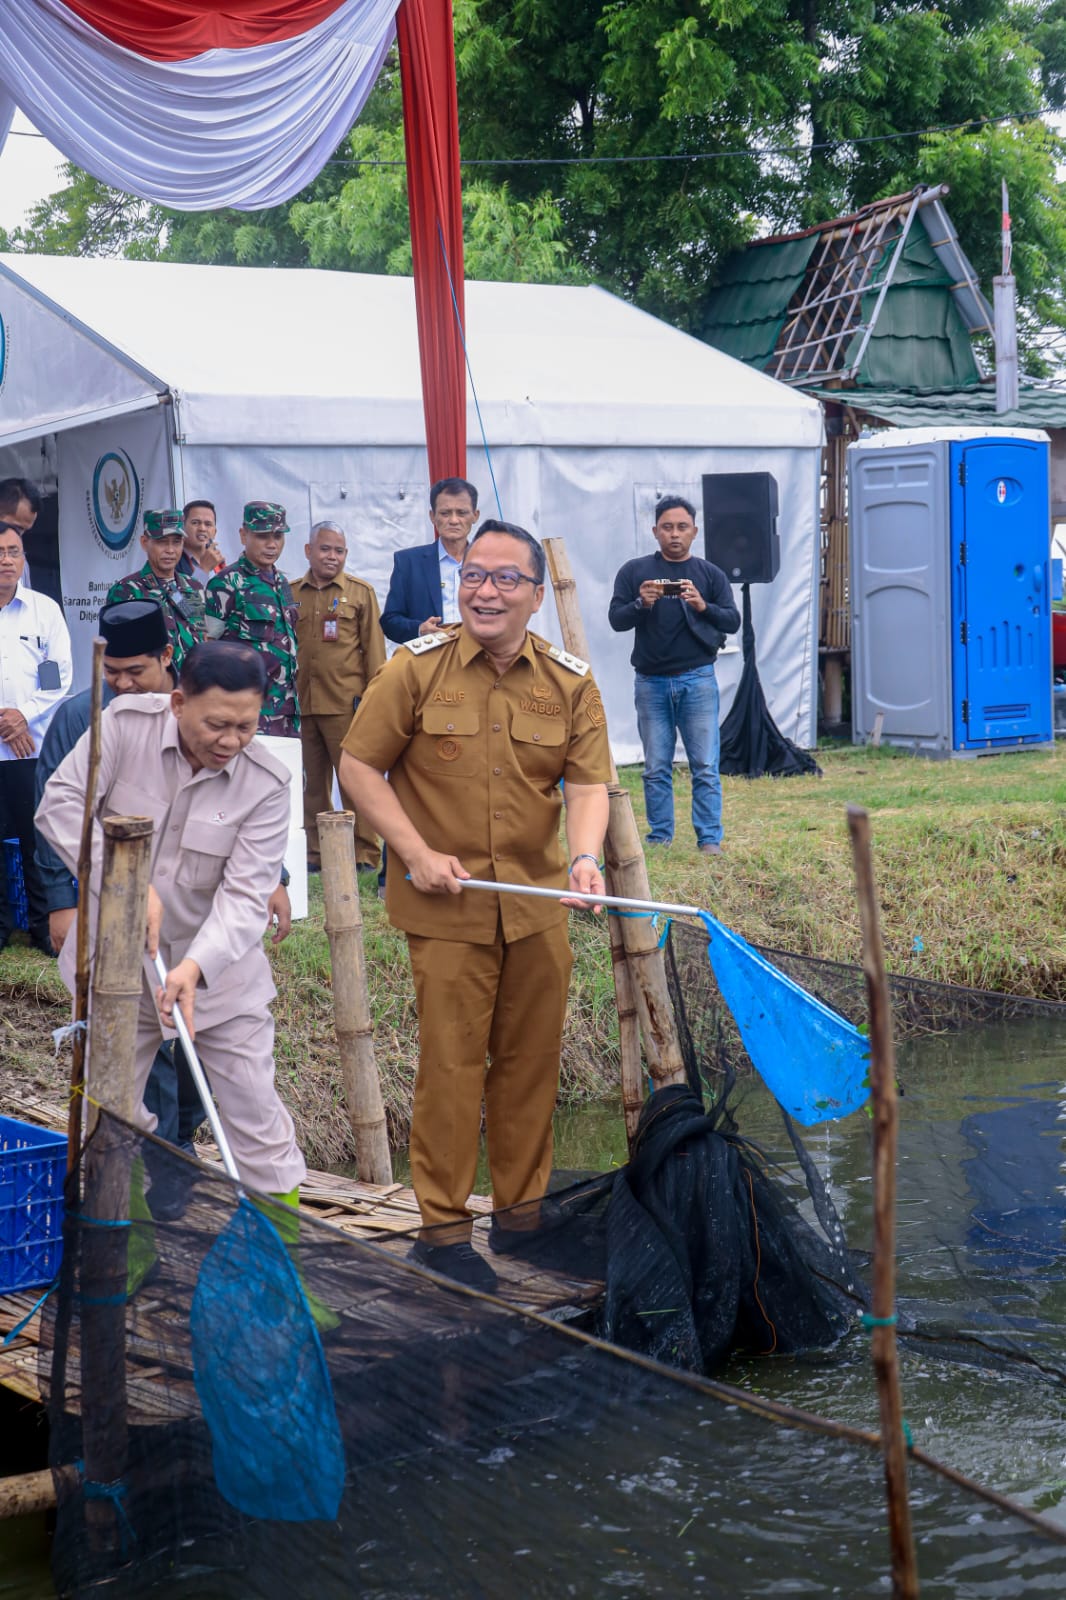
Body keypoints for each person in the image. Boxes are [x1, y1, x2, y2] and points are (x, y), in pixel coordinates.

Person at [340, 519, 612, 1289]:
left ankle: (522, 1222)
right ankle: (445, 1234)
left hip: (536, 904)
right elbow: (359, 769)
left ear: (534, 594)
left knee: (530, 1065)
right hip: (447, 908)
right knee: (452, 1068)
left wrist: (587, 858)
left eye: (502, 579)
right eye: (473, 576)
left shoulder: (569, 681)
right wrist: (416, 852)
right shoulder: (414, 670)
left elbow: (588, 782)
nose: (483, 591)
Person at [36, 641, 307, 1202]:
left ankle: (275, 1267)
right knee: (110, 1119)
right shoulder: (124, 726)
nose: (231, 741)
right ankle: (123, 1255)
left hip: (217, 977)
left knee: (257, 1119)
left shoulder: (269, 783)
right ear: (178, 702)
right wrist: (128, 882)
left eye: (246, 726)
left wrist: (194, 967)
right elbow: (61, 805)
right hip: (117, 971)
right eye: (216, 725)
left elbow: (244, 897)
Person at [608, 495, 740, 855]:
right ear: (655, 531)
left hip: (697, 678)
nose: (675, 534)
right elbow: (616, 620)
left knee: (705, 765)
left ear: (695, 531)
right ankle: (660, 836)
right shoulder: (635, 572)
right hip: (650, 682)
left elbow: (732, 620)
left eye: (682, 527)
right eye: (667, 527)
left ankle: (710, 839)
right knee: (656, 766)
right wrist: (641, 603)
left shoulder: (710, 574)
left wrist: (702, 605)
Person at [291, 521, 386, 874]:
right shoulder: (290, 592)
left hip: (346, 705)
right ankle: (315, 853)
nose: (332, 556)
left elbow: (374, 654)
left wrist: (375, 702)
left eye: (339, 550)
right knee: (312, 783)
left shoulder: (360, 593)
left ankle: (364, 853)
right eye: (325, 549)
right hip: (302, 703)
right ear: (308, 551)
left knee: (354, 782)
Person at [0, 518, 72, 953]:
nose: (5, 561)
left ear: (23, 558)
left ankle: (44, 927)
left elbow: (57, 675)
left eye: (12, 552)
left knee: (36, 837)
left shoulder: (44, 611)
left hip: (31, 747)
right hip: (10, 737)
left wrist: (21, 717)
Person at [205, 502, 300, 737]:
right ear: (243, 535)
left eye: (278, 536)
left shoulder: (282, 583)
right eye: (262, 536)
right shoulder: (226, 583)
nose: (272, 544)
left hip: (287, 712)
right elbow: (206, 647)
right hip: (247, 715)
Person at [380, 477, 480, 643]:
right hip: (428, 661)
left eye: (462, 513)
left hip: (478, 658)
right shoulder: (408, 563)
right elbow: (390, 621)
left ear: (475, 516)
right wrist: (419, 629)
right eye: (445, 513)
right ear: (432, 516)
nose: (454, 520)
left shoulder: (488, 564)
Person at [106, 508, 207, 671]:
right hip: (151, 690)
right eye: (161, 541)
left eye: (176, 542)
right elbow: (119, 654)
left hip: (193, 688)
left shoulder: (193, 587)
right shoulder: (126, 591)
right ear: (145, 542)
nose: (170, 550)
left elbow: (202, 639)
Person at [179, 499, 226, 580]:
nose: (202, 529)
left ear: (215, 532)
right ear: (182, 528)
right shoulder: (172, 559)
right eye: (195, 523)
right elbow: (180, 593)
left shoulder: (217, 560)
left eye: (208, 524)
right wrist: (204, 569)